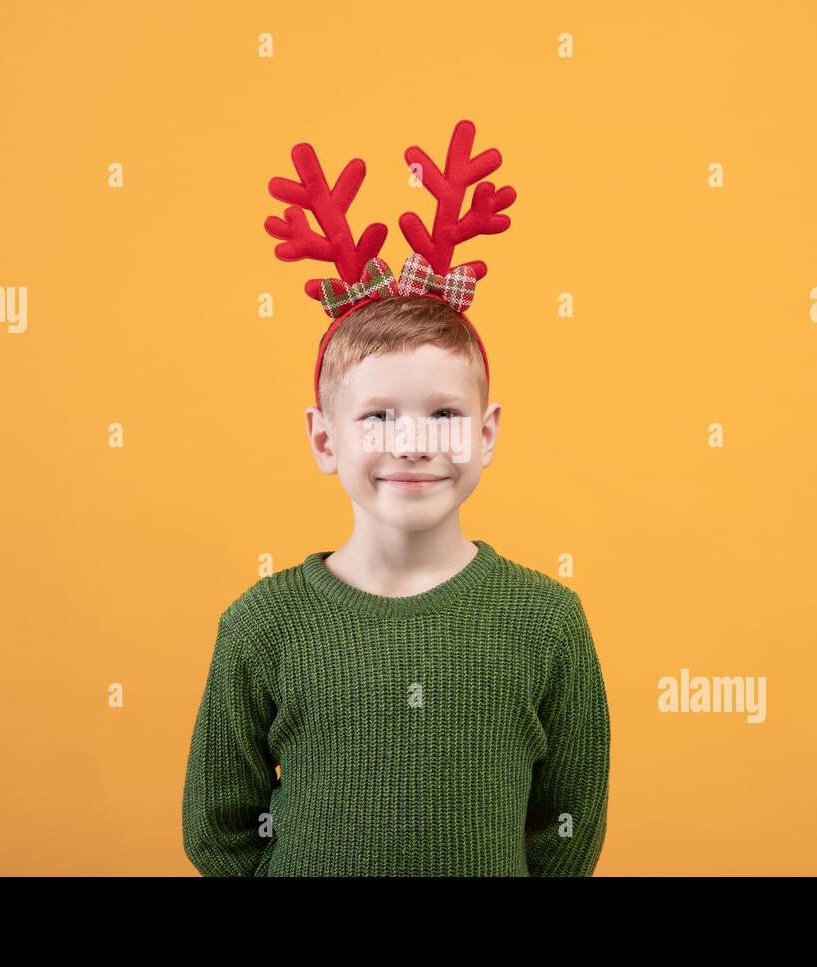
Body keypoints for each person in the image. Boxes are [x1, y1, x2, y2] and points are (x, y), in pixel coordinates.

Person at [181, 120, 610, 876]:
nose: (413, 442)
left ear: (485, 433)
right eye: (378, 416)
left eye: (444, 415)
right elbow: (217, 829)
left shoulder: (548, 623)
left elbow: (567, 831)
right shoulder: (260, 626)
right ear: (324, 439)